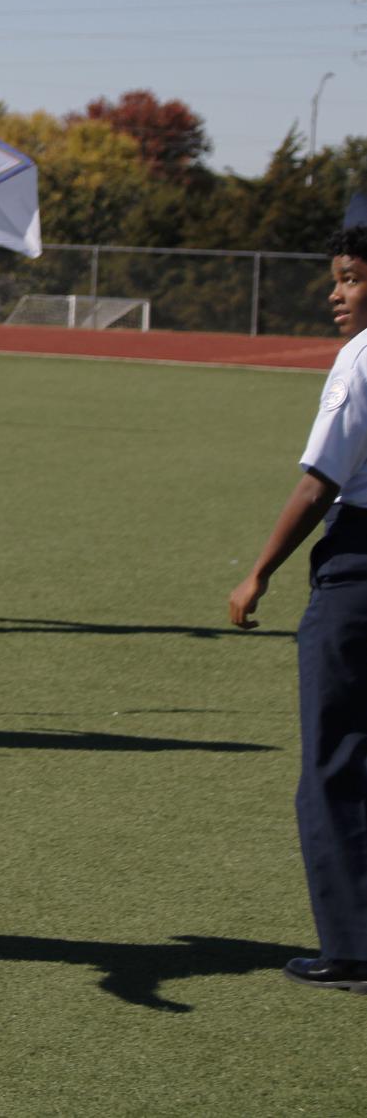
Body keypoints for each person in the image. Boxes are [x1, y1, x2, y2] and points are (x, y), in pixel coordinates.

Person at [228, 200, 367, 992]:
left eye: (350, 279)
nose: (334, 294)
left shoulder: (357, 360)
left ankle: (349, 945)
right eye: (335, 280)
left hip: (357, 574)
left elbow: (320, 482)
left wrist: (259, 571)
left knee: (334, 762)